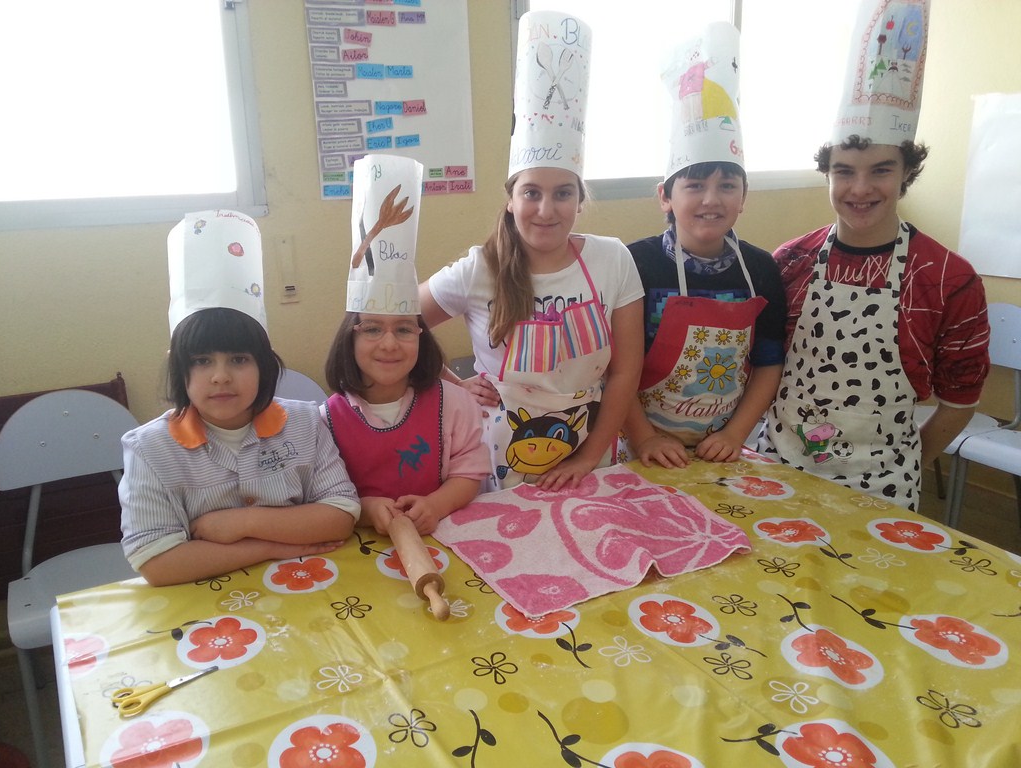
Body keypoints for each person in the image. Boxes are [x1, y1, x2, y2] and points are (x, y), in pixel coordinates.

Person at [759, 0, 989, 510]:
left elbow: (959, 401)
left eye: (881, 170)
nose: (860, 189)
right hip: (779, 467)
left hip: (883, 484)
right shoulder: (790, 261)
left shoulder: (948, 278)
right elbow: (763, 366)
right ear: (827, 174)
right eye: (844, 171)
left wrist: (901, 465)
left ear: (907, 173)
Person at [420, 10, 644, 492]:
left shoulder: (612, 259)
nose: (546, 209)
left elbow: (626, 372)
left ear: (580, 200)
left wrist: (587, 457)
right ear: (510, 199)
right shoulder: (480, 268)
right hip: (501, 452)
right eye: (531, 193)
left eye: (563, 193)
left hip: (592, 445)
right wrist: (454, 384)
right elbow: (403, 320)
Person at [120, 211, 360, 587]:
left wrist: (241, 522)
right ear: (179, 369)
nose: (220, 376)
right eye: (202, 361)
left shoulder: (305, 422)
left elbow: (340, 515)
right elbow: (157, 562)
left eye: (238, 359)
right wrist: (267, 548)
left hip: (306, 586)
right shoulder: (151, 449)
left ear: (264, 365)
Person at [623, 22, 786, 469]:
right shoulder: (633, 263)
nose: (712, 200)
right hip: (637, 445)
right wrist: (644, 438)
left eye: (727, 185)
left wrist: (735, 435)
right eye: (695, 185)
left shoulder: (761, 269)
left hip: (723, 450)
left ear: (744, 196)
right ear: (665, 196)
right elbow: (614, 367)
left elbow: (768, 362)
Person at [323, 154, 489, 536]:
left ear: (421, 336)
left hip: (445, 535)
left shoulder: (455, 405)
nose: (389, 344)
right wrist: (366, 510)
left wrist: (436, 505)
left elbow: (470, 470)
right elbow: (324, 493)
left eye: (403, 330)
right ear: (349, 337)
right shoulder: (326, 420)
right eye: (371, 329)